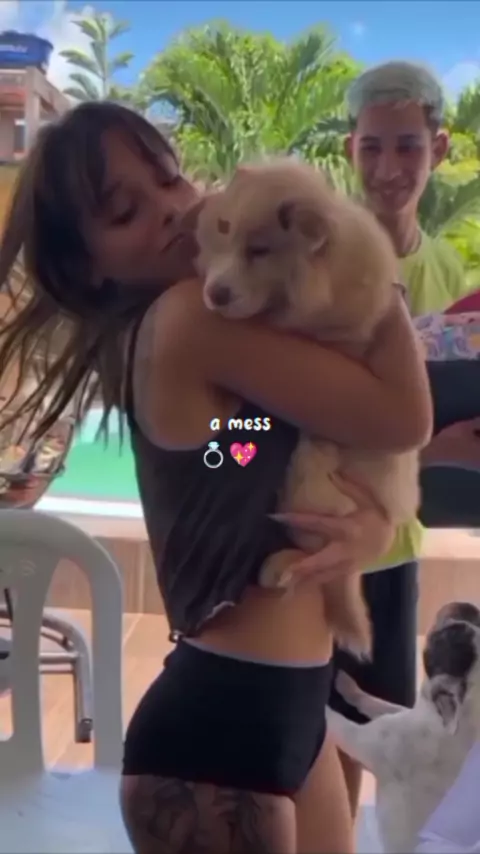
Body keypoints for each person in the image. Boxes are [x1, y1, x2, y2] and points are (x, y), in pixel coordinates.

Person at [0, 102, 431, 854]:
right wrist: (370, 263)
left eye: (170, 179)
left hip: (281, 709)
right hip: (218, 738)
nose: (171, 210)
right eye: (126, 211)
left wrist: (362, 523)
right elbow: (403, 417)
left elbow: (231, 457)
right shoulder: (189, 320)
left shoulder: (200, 334)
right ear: (87, 264)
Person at [331, 59, 475, 817]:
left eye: (409, 146)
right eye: (373, 147)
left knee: (380, 734)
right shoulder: (315, 258)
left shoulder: (449, 270)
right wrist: (428, 453)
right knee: (306, 735)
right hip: (314, 543)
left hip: (396, 548)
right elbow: (254, 430)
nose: (389, 168)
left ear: (439, 148)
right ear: (349, 149)